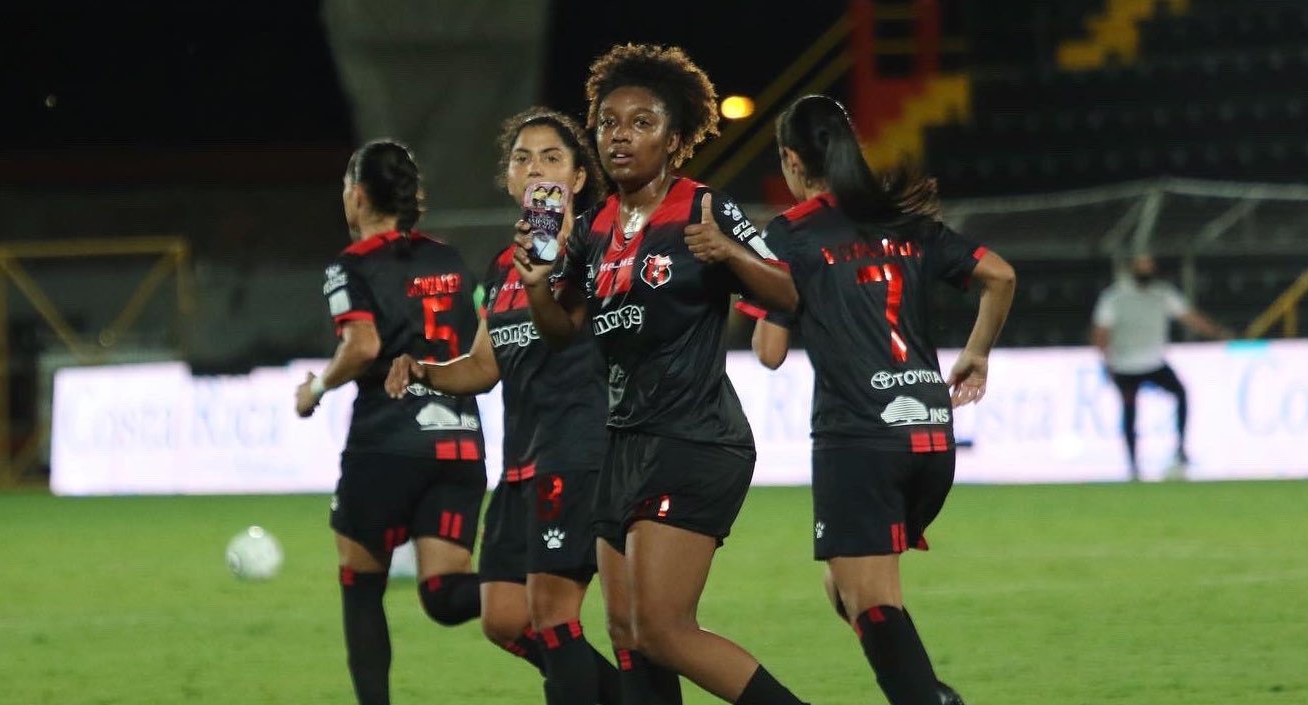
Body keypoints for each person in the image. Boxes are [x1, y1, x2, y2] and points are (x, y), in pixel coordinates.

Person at [515, 44, 809, 705]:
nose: (621, 135)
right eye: (609, 123)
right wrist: (538, 284)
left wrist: (729, 252)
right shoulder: (590, 230)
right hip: (624, 441)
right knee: (627, 633)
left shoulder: (702, 207)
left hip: (693, 435)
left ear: (675, 139)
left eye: (641, 122)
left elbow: (790, 294)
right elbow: (562, 329)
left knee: (665, 629)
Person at [743, 95, 1016, 705]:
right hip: (930, 437)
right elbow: (1000, 276)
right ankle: (928, 690)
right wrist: (976, 353)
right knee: (845, 589)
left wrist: (763, 290)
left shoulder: (788, 234)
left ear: (790, 160)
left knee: (870, 600)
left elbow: (768, 352)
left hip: (859, 439)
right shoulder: (903, 219)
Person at [384, 107, 620, 705]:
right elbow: (484, 367)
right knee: (504, 617)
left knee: (552, 614)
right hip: (521, 469)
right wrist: (424, 371)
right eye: (522, 159)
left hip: (576, 453)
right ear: (510, 181)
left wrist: (550, 270)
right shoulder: (502, 267)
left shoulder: (596, 251)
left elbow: (574, 333)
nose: (534, 168)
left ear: (577, 179)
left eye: (551, 158)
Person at [294, 139, 487, 705]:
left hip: (387, 445)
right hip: (459, 446)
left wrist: (316, 388)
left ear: (356, 197)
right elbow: (486, 338)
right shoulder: (450, 259)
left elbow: (362, 344)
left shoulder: (349, 266)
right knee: (446, 595)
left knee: (360, 586)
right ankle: (531, 593)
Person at [1091, 254, 1229, 480]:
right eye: (1141, 265)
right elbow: (1101, 331)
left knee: (1180, 394)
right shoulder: (1115, 297)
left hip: (1153, 362)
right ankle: (1133, 465)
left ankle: (1180, 449)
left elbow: (1189, 316)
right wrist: (1105, 360)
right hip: (1125, 364)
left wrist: (1216, 333)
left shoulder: (1162, 293)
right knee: (1130, 412)